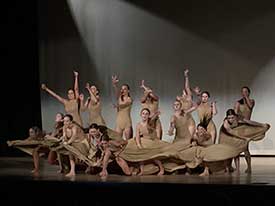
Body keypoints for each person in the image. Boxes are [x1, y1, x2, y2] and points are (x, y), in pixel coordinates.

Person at [219, 109, 270, 174]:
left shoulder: (239, 117)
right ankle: (229, 167)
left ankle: (249, 167)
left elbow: (249, 122)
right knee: (229, 150)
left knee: (245, 149)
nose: (231, 119)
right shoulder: (226, 123)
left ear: (235, 116)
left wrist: (261, 125)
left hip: (238, 131)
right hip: (226, 135)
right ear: (226, 117)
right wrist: (245, 138)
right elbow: (232, 132)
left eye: (232, 117)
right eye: (229, 118)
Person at [135, 108, 164, 176]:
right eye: (143, 113)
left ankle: (161, 169)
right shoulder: (138, 125)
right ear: (140, 115)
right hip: (143, 141)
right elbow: (137, 136)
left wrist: (156, 114)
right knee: (140, 154)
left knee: (153, 155)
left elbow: (154, 133)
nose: (144, 115)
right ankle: (142, 171)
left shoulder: (150, 123)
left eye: (146, 114)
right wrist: (139, 144)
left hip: (151, 142)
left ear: (148, 115)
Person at [175, 69, 196, 137]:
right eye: (182, 92)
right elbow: (176, 109)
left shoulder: (189, 97)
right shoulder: (180, 99)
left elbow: (186, 86)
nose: (183, 92)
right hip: (181, 119)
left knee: (190, 137)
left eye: (185, 91)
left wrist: (186, 76)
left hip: (188, 119)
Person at [111, 75, 133, 140]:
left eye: (125, 89)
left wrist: (117, 106)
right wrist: (114, 84)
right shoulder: (119, 98)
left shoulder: (129, 99)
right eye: (122, 89)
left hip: (127, 122)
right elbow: (117, 93)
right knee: (117, 140)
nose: (123, 90)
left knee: (128, 142)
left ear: (128, 91)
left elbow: (124, 105)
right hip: (119, 122)